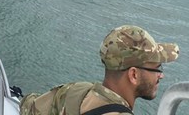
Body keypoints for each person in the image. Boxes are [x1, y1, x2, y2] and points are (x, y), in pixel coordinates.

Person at [20, 25, 179, 115]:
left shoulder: (74, 91)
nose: (161, 75)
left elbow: (29, 106)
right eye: (157, 68)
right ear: (133, 74)